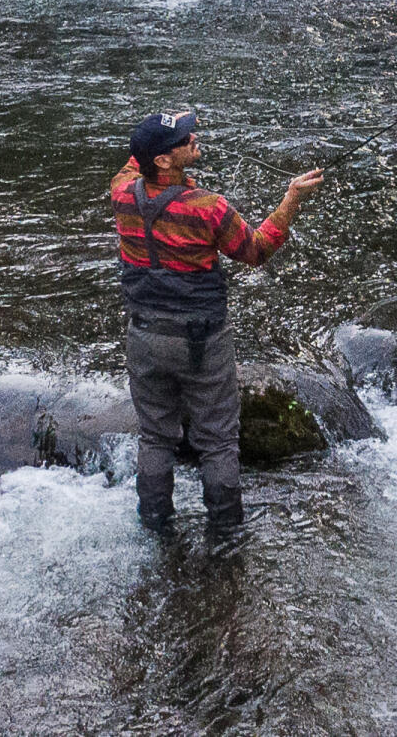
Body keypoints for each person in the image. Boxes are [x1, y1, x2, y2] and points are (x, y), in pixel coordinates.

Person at [108, 108, 322, 538]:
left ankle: (155, 526)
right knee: (218, 441)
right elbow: (257, 251)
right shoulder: (208, 208)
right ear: (164, 161)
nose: (193, 139)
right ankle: (225, 533)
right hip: (200, 340)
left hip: (144, 335)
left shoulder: (121, 193)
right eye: (184, 140)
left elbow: (137, 159)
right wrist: (291, 200)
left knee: (154, 438)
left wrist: (171, 134)